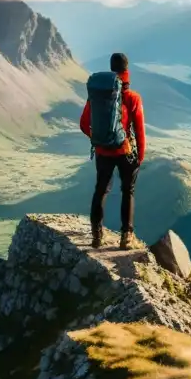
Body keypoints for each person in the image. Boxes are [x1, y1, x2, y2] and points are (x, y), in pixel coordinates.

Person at [79, 52, 146, 249]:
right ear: (127, 71)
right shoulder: (133, 98)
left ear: (111, 70)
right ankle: (126, 237)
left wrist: (98, 139)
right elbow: (140, 131)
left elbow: (84, 124)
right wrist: (139, 155)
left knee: (101, 190)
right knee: (128, 191)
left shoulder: (98, 95)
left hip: (103, 151)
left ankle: (97, 235)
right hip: (126, 152)